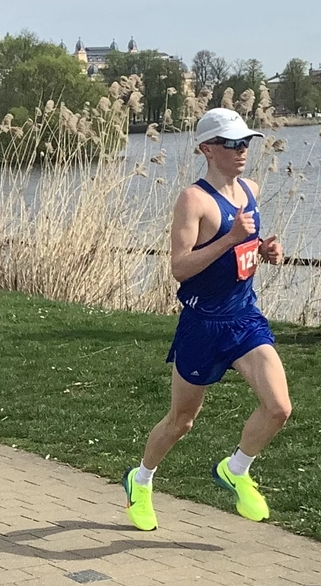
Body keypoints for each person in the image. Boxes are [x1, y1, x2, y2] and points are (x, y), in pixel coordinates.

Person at [123, 108, 290, 532]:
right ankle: (140, 481)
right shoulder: (193, 200)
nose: (242, 151)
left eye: (245, 142)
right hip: (202, 323)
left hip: (244, 318)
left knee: (279, 408)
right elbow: (180, 267)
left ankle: (236, 469)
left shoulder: (250, 189)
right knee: (182, 421)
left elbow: (243, 254)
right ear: (207, 149)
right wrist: (231, 238)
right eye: (232, 144)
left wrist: (264, 251)